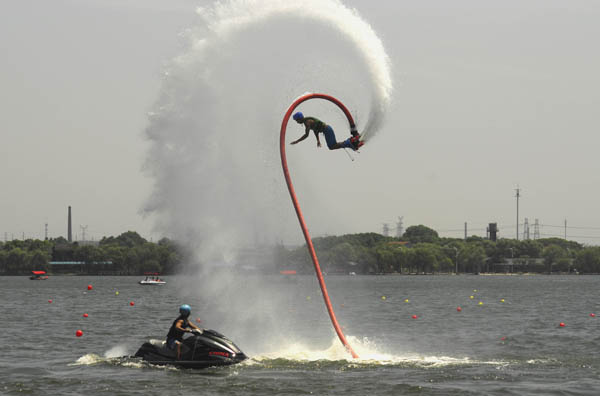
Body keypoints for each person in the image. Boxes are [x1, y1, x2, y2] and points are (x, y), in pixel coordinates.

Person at [290, 112, 363, 151]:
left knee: (332, 146)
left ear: (299, 119)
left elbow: (306, 135)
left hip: (327, 130)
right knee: (333, 145)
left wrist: (297, 141)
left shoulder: (307, 122)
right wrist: (318, 140)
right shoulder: (307, 122)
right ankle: (351, 142)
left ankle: (350, 142)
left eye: (296, 120)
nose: (297, 122)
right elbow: (315, 130)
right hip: (327, 130)